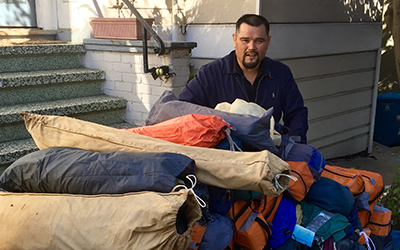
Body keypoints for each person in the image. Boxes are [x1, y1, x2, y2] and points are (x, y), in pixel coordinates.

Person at [178, 14, 308, 144]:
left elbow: (297, 114)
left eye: (259, 41)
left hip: (269, 152)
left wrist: (293, 146)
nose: (251, 47)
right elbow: (183, 109)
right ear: (234, 40)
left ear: (268, 42)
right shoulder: (210, 74)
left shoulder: (281, 73)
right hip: (226, 154)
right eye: (245, 40)